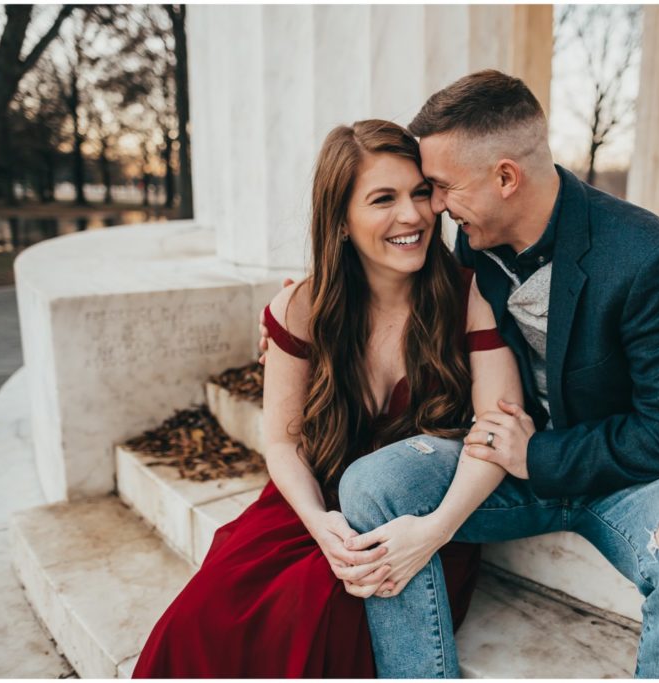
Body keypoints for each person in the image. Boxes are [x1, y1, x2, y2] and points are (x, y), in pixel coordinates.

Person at [262, 70, 659, 678]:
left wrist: (539, 455)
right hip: (502, 463)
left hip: (630, 475)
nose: (434, 207)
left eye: (442, 187)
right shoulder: (473, 245)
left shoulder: (650, 259)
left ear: (505, 178)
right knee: (373, 483)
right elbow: (381, 289)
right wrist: (301, 319)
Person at [133, 119, 523, 677]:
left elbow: (495, 430)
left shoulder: (468, 296)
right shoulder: (301, 308)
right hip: (313, 505)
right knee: (202, 618)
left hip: (413, 522)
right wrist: (320, 522)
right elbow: (283, 443)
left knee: (313, 614)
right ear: (340, 220)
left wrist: (435, 530)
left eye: (420, 193)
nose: (412, 215)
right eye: (383, 199)